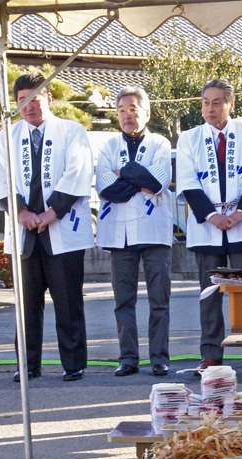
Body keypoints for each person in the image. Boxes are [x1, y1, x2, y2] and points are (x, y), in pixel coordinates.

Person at [0, 72, 94, 382]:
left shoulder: (71, 131)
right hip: (23, 231)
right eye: (21, 101)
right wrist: (20, 212)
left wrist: (51, 213)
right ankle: (28, 364)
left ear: (49, 99)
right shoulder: (7, 134)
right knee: (26, 305)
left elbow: (78, 170)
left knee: (68, 301)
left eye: (34, 99)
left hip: (61, 229)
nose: (27, 106)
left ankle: (73, 364)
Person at [176, 79, 242, 372]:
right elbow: (188, 182)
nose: (209, 108)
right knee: (209, 295)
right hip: (206, 227)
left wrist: (239, 213)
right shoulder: (189, 138)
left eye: (217, 102)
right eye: (205, 102)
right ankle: (212, 356)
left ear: (231, 105)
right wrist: (212, 216)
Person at [95, 87, 172, 377]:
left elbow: (157, 182)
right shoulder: (107, 145)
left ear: (146, 113)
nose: (128, 115)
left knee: (159, 299)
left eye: (133, 109)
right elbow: (105, 189)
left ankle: (159, 357)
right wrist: (136, 177)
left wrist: (122, 172)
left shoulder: (160, 143)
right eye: (122, 110)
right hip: (119, 234)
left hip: (154, 231)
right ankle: (128, 358)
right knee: (123, 300)